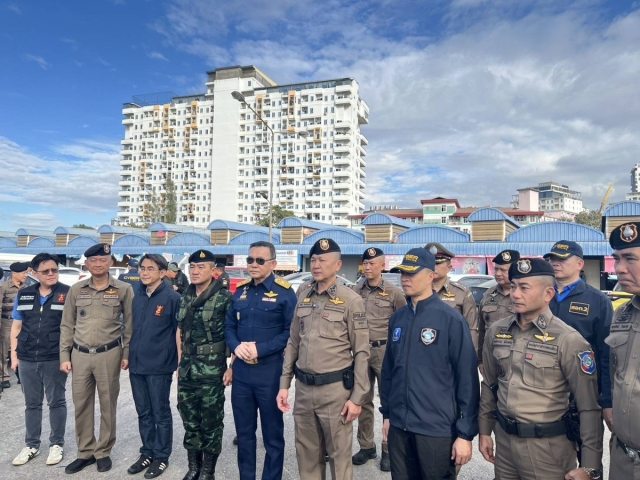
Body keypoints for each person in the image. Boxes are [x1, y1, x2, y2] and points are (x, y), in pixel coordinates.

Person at [478, 258, 603, 480]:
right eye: (514, 286)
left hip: (547, 450)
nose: (515, 294)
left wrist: (590, 465)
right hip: (505, 444)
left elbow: (589, 407)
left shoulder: (568, 340)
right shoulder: (496, 332)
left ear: (548, 294)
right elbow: (489, 384)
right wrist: (485, 431)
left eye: (524, 288)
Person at [380, 248, 479, 479]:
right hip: (400, 428)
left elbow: (468, 380)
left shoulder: (451, 320)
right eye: (402, 272)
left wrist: (465, 435)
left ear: (430, 276)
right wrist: (387, 414)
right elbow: (389, 372)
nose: (405, 278)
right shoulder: (398, 318)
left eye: (412, 273)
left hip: (435, 430)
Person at [277, 238, 369, 480]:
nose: (316, 265)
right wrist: (284, 384)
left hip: (335, 392)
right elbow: (294, 342)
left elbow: (361, 352)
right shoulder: (303, 293)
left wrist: (358, 397)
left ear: (338, 265)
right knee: (306, 456)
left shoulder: (351, 300)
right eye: (314, 259)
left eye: (323, 260)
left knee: (339, 458)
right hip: (304, 390)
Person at [225, 241, 297, 480]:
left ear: (273, 264)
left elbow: (291, 333)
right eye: (250, 260)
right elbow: (229, 326)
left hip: (270, 372)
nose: (253, 265)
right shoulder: (240, 291)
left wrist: (261, 349)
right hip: (243, 374)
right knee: (244, 435)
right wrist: (236, 347)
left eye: (259, 260)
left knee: (273, 436)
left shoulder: (285, 292)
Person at [60, 243, 134, 474]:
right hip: (80, 355)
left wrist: (126, 353)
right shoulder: (76, 289)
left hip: (108, 354)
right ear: (87, 263)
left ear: (111, 262)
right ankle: (85, 452)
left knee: (108, 405)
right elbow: (67, 324)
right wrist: (65, 354)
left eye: (103, 259)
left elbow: (130, 325)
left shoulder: (123, 289)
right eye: (94, 260)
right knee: (81, 405)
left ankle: (103, 451)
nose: (99, 263)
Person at [544, 241, 613, 434]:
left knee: (588, 455)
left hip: (583, 391)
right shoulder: (541, 295)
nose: (555, 263)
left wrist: (607, 398)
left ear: (580, 264)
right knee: (551, 456)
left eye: (562, 259)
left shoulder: (597, 301)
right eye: (552, 258)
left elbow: (607, 353)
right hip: (544, 389)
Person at [176, 249, 233, 480]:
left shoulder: (224, 297)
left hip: (211, 369)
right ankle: (194, 468)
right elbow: (179, 330)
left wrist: (232, 367)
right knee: (189, 416)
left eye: (201, 267)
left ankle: (208, 471)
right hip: (188, 367)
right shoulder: (185, 295)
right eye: (192, 267)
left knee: (211, 419)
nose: (195, 271)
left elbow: (233, 334)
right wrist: (180, 363)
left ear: (214, 271)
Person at [10, 254, 69, 467]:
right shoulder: (24, 294)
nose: (51, 274)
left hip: (54, 356)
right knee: (31, 404)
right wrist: (14, 356)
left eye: (54, 270)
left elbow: (72, 327)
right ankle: (32, 445)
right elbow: (16, 326)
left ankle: (56, 444)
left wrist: (68, 356)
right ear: (34, 273)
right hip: (27, 356)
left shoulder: (67, 293)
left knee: (56, 401)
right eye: (46, 271)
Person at [351, 247, 406, 471]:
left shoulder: (394, 293)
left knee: (388, 402)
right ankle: (366, 446)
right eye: (365, 263)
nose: (367, 267)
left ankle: (387, 448)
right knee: (362, 399)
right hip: (361, 352)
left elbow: (403, 325)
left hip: (385, 352)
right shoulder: (355, 290)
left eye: (372, 263)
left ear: (382, 266)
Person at [127, 254, 180, 479]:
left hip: (159, 365)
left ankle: (161, 456)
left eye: (151, 268)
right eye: (142, 268)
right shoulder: (137, 295)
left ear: (162, 273)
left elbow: (179, 333)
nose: (145, 272)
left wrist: (179, 364)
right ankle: (147, 451)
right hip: (137, 365)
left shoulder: (172, 297)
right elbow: (130, 329)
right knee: (143, 412)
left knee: (160, 412)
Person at [605, 222, 640, 479]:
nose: (618, 268)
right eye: (616, 259)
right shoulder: (622, 314)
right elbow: (614, 373)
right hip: (623, 459)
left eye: (630, 258)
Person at [425, 242, 479, 351]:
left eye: (437, 263)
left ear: (449, 268)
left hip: (452, 349)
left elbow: (471, 328)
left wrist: (470, 356)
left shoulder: (462, 293)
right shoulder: (418, 291)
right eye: (429, 263)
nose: (433, 267)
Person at [478, 250, 520, 376]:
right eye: (496, 269)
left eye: (503, 270)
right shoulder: (489, 294)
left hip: (515, 359)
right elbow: (481, 330)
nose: (498, 274)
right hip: (490, 358)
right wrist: (480, 359)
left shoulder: (522, 295)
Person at [1, 261, 28, 388]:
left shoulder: (26, 288)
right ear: (14, 274)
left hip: (22, 322)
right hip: (6, 322)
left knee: (21, 347)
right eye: (23, 273)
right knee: (4, 350)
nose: (26, 275)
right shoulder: (4, 287)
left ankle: (21, 375)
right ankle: (4, 377)